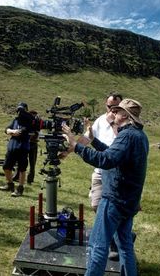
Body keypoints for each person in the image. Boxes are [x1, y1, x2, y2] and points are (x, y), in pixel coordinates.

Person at [62, 98, 149, 276]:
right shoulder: (140, 136)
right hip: (128, 201)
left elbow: (105, 160)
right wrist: (93, 140)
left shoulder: (127, 135)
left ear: (125, 115)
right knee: (125, 246)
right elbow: (114, 154)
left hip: (115, 199)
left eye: (117, 111)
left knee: (97, 246)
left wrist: (75, 145)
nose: (113, 114)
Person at [84, 92, 122, 260]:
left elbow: (119, 142)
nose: (112, 110)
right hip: (100, 172)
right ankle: (121, 236)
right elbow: (88, 138)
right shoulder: (100, 120)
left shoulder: (125, 123)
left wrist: (113, 123)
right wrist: (70, 147)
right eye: (109, 107)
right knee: (96, 205)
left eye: (116, 108)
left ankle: (113, 244)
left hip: (115, 174)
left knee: (111, 210)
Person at [0, 102, 33, 197]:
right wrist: (11, 131)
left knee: (22, 169)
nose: (19, 113)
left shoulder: (29, 121)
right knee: (6, 167)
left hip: (22, 148)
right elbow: (6, 129)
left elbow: (22, 132)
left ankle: (20, 188)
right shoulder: (15, 120)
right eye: (18, 110)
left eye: (21, 110)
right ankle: (10, 184)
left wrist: (13, 132)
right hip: (12, 148)